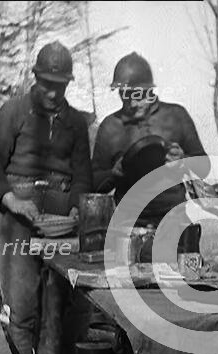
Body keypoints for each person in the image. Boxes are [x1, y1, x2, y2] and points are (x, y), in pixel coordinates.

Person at [0, 41, 92, 354]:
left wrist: (75, 207)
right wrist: (12, 200)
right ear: (35, 78)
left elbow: (83, 175)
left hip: (59, 228)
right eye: (47, 84)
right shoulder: (13, 112)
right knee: (23, 313)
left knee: (56, 317)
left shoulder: (75, 123)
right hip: (17, 223)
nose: (53, 93)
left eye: (60, 86)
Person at [91, 52, 210, 236]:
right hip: (127, 225)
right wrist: (112, 174)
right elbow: (94, 183)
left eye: (138, 95)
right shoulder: (110, 127)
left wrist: (183, 161)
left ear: (150, 90)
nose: (132, 103)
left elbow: (204, 167)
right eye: (125, 95)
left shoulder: (175, 116)